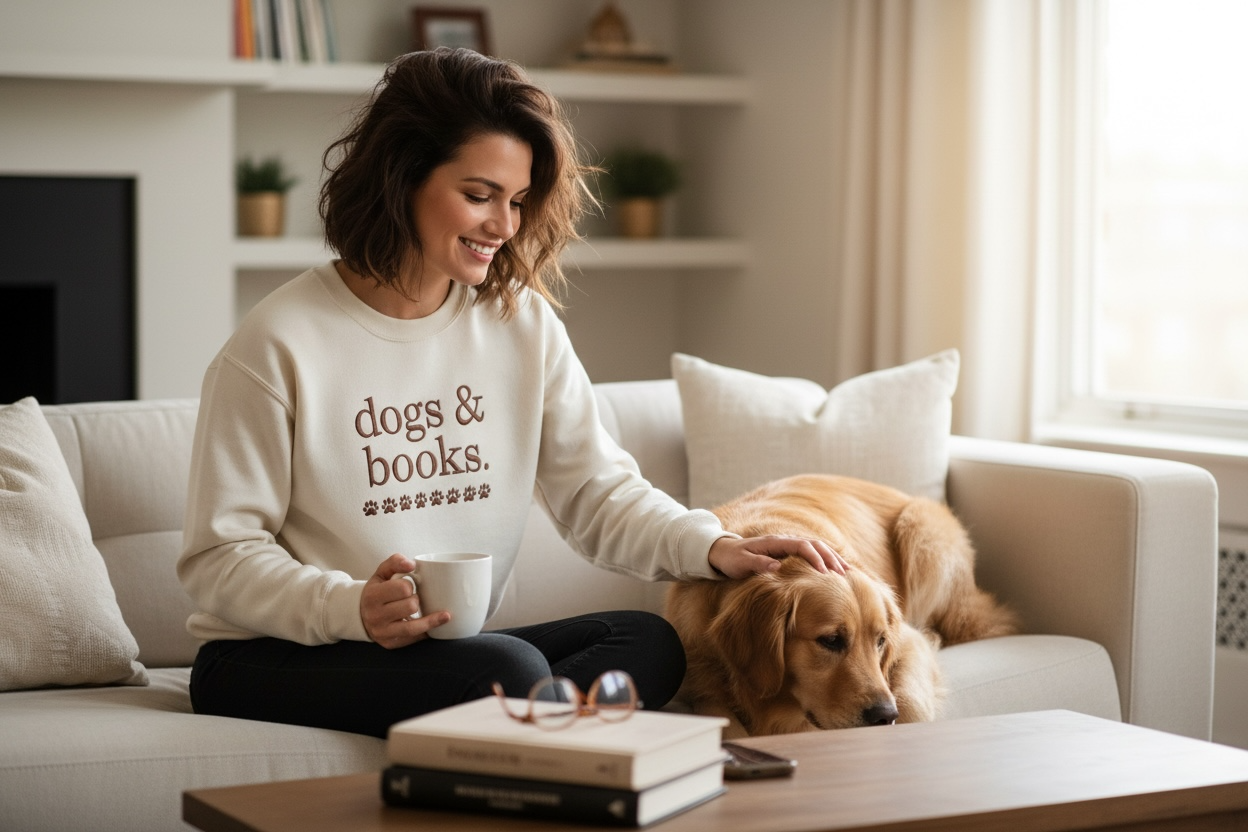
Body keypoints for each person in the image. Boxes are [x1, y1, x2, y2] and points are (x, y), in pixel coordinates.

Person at [178, 47, 845, 739]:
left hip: (437, 654)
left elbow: (596, 491)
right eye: (479, 195)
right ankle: (551, 738)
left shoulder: (518, 322)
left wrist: (713, 546)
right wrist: (350, 608)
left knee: (646, 644)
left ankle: (528, 738)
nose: (505, 226)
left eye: (518, 201)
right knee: (509, 669)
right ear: (401, 177)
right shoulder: (278, 342)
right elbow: (218, 558)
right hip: (271, 657)